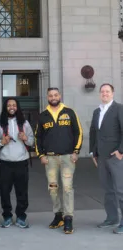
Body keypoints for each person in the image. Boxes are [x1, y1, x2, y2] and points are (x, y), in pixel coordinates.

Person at [35, 87, 83, 234]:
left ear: (60, 96)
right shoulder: (43, 115)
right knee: (53, 188)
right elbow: (38, 137)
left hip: (68, 157)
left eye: (56, 95)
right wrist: (41, 155)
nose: (53, 97)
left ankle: (68, 218)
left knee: (67, 188)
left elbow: (78, 131)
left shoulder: (69, 112)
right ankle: (58, 216)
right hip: (50, 159)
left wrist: (76, 151)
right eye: (50, 95)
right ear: (47, 97)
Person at [0, 98, 34, 228]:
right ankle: (7, 216)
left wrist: (26, 138)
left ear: (18, 107)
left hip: (21, 163)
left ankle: (21, 216)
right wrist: (1, 142)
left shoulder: (25, 124)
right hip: (5, 164)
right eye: (9, 105)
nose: (11, 107)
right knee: (4, 192)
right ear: (5, 107)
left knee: (22, 192)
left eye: (14, 105)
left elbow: (32, 141)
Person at [89, 83, 123, 234]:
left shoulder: (119, 109)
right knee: (108, 190)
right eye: (102, 91)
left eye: (107, 91)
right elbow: (93, 133)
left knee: (120, 190)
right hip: (101, 157)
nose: (105, 94)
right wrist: (93, 153)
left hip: (116, 157)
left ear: (113, 93)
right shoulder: (97, 111)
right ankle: (112, 218)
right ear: (99, 94)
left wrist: (121, 151)